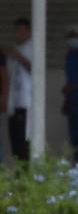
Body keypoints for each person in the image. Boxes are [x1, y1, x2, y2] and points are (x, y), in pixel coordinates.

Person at [3, 18, 33, 161]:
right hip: (12, 103)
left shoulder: (32, 47)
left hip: (26, 103)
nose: (19, 34)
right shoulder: (13, 49)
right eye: (17, 31)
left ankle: (26, 172)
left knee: (23, 142)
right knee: (14, 142)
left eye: (22, 30)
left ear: (29, 31)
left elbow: (35, 70)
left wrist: (18, 55)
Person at [62, 26, 78, 162]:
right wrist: (66, 100)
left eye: (74, 36)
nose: (72, 39)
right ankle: (77, 166)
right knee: (74, 138)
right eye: (70, 36)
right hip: (72, 101)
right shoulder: (69, 55)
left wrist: (73, 87)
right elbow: (69, 79)